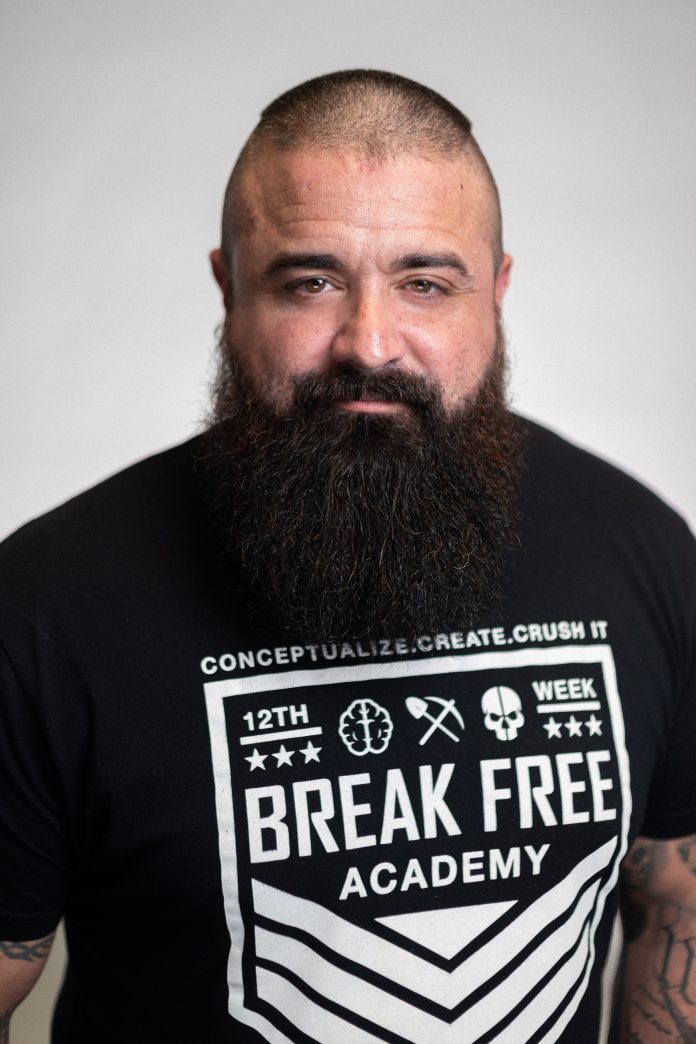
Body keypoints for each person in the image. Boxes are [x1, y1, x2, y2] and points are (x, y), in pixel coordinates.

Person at [1, 69, 695, 1044]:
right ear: (228, 285)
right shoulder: (45, 606)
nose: (369, 344)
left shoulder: (646, 556)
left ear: (496, 291)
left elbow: (676, 904)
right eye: (311, 282)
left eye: (425, 283)